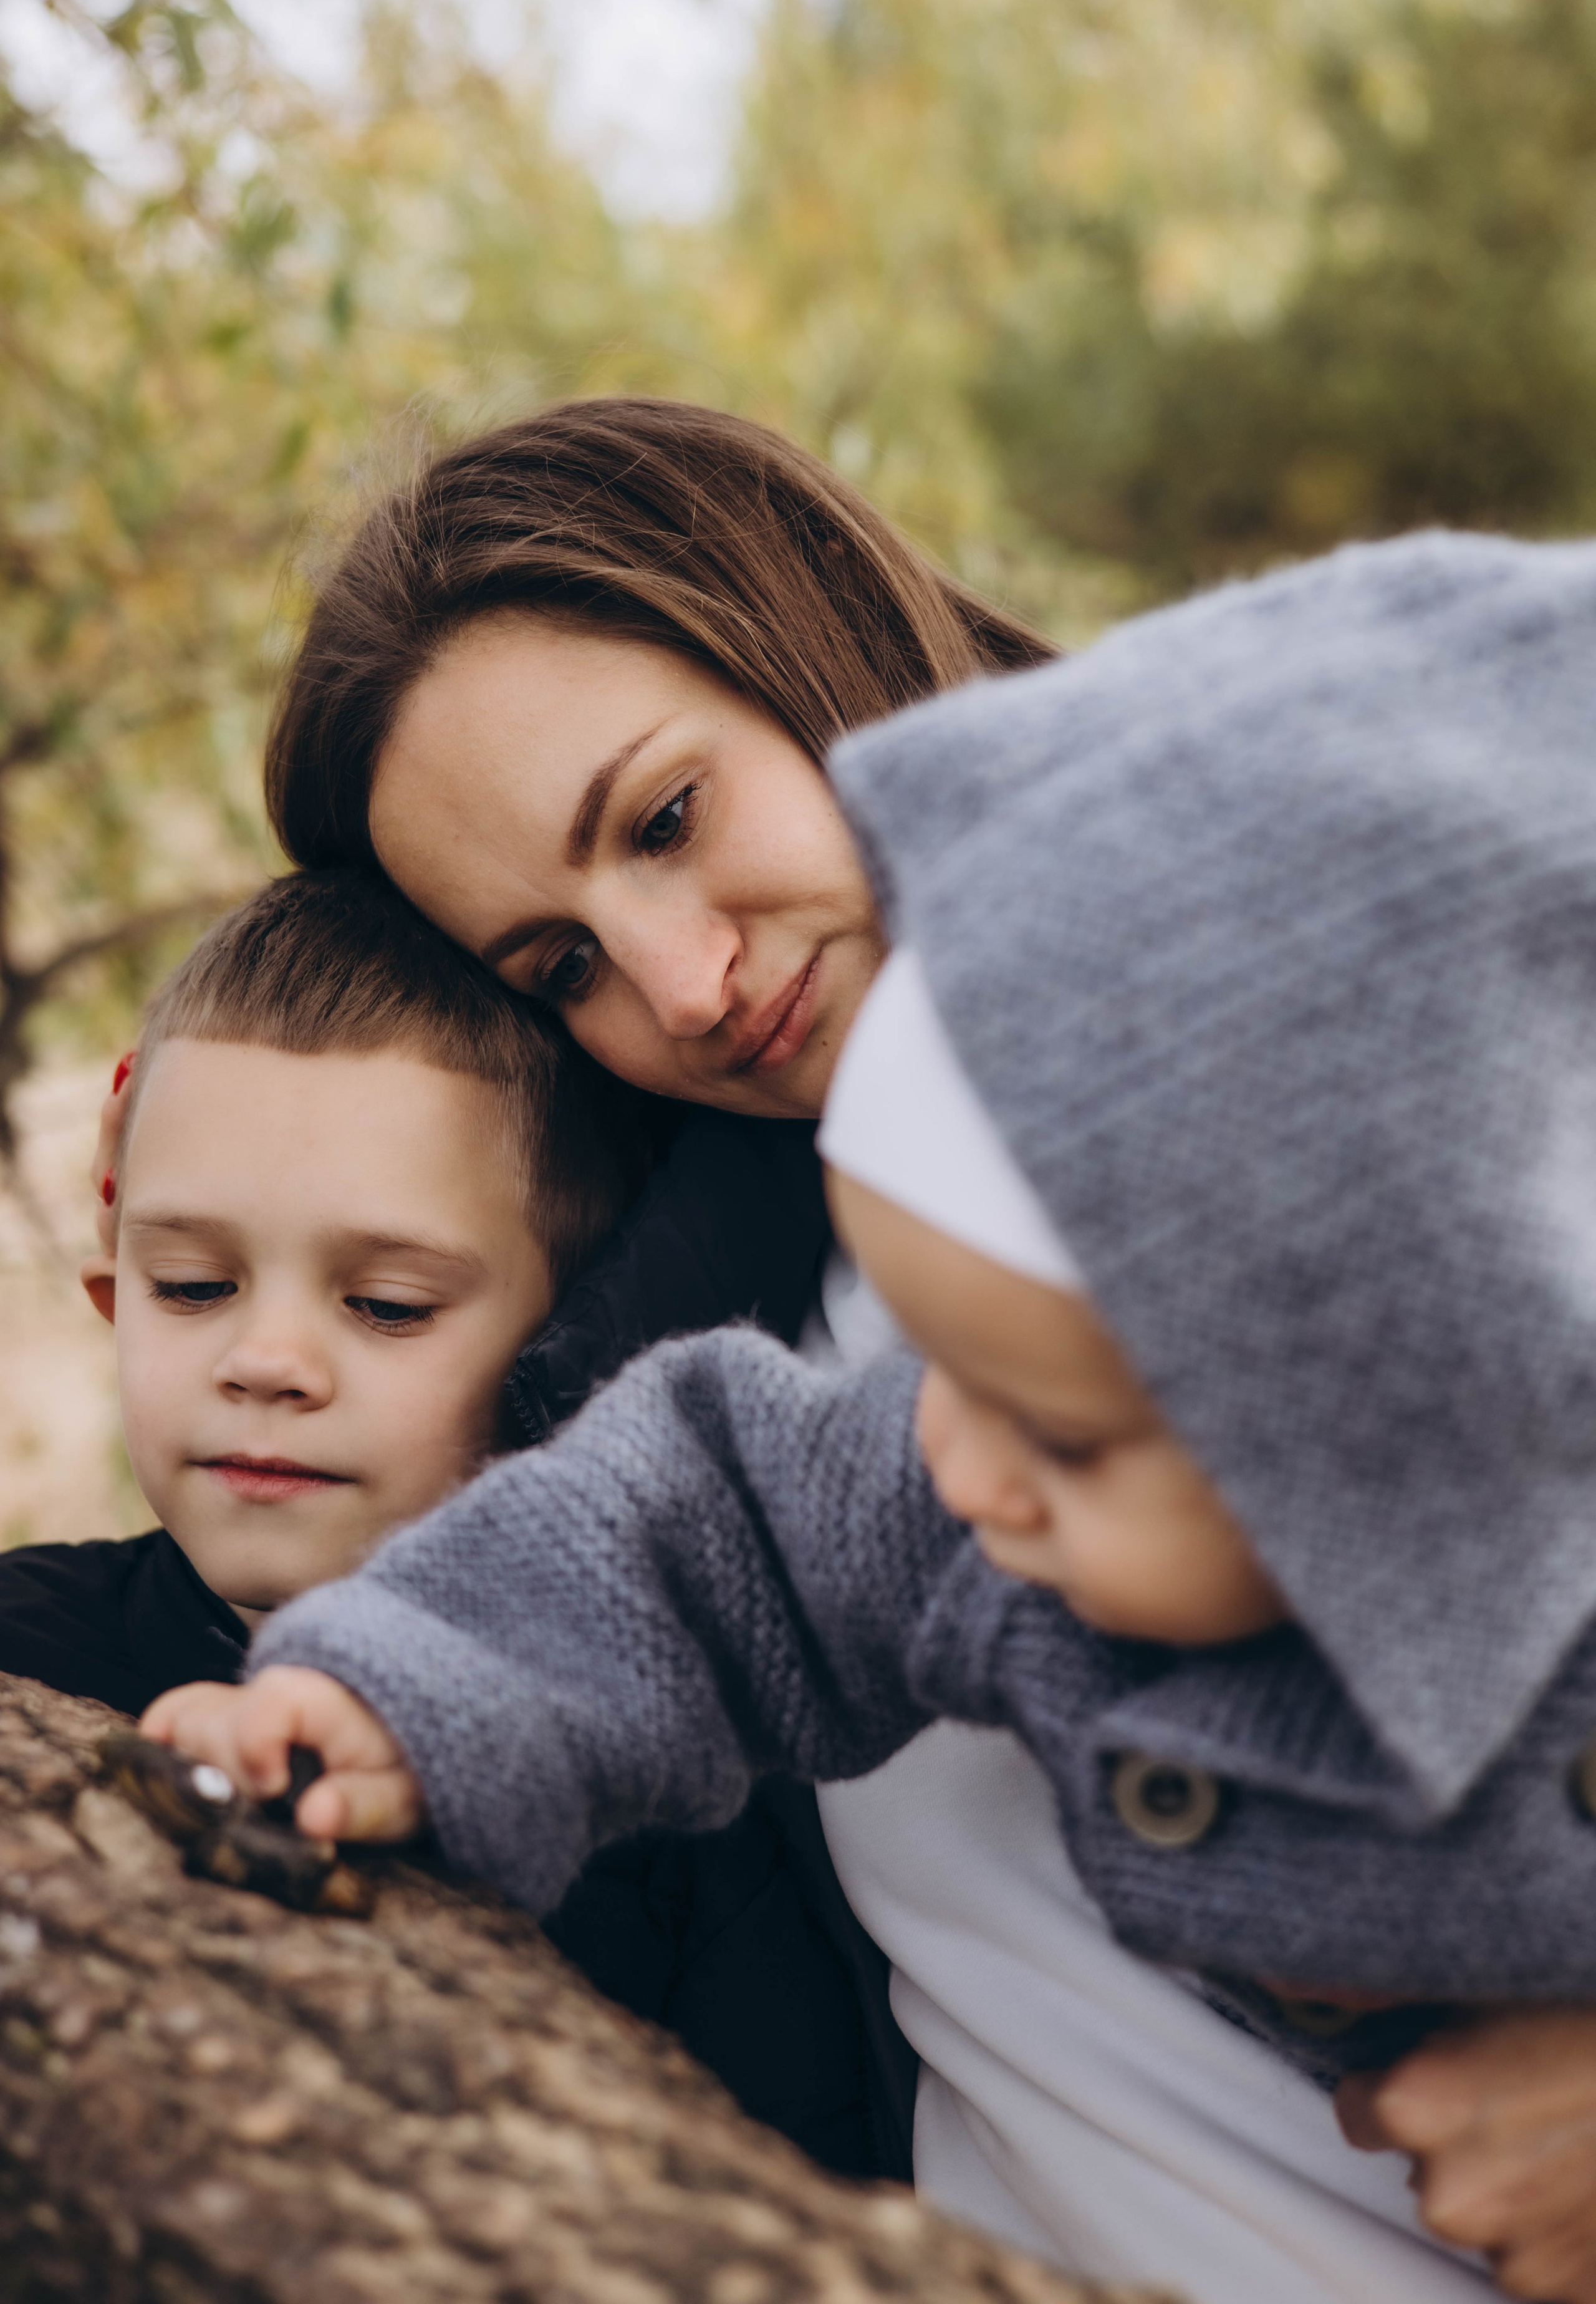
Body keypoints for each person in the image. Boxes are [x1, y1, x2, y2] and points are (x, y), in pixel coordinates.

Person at [92, 402, 1596, 2297]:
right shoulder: (727, 1353)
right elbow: (703, 1534)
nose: (682, 986)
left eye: (666, 819)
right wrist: (386, 1693)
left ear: (810, 618)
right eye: (555, 967)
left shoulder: (1397, 1077)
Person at [0, 869, 643, 1718]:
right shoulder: (20, 1647)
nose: (265, 1362)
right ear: (114, 1304)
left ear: (567, 1345)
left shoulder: (664, 1766)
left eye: (388, 1304)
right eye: (193, 1288)